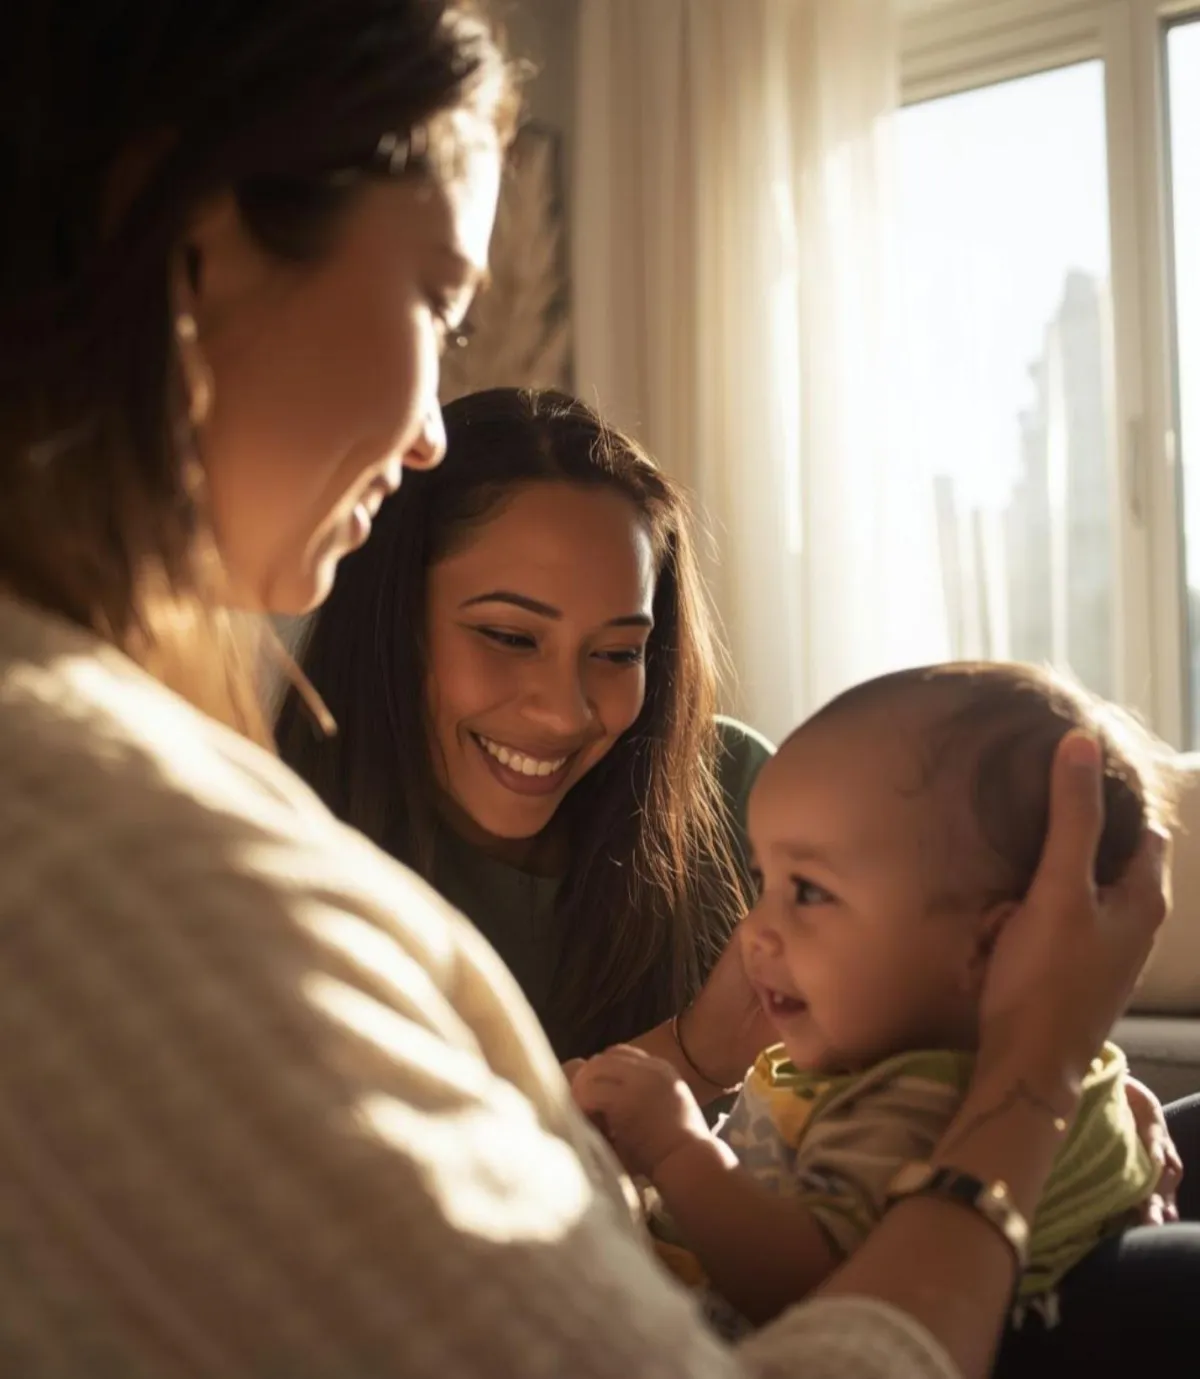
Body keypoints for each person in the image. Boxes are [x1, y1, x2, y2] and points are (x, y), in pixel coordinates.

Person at [0, 2, 1183, 1376]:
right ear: (195, 251)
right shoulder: (126, 847)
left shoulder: (719, 801)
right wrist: (1025, 1092)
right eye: (439, 304)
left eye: (617, 648)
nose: (428, 424)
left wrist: (1053, 1099)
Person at [573, 664, 1200, 1373]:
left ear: (994, 944)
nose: (755, 931)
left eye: (807, 890)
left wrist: (678, 1147)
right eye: (765, 881)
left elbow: (804, 1287)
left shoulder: (910, 1099)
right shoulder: (887, 1065)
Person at [277, 385, 775, 1082]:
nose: (566, 713)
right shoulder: (272, 847)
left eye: (616, 653)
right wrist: (692, 1056)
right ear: (394, 621)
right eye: (509, 637)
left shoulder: (745, 792)